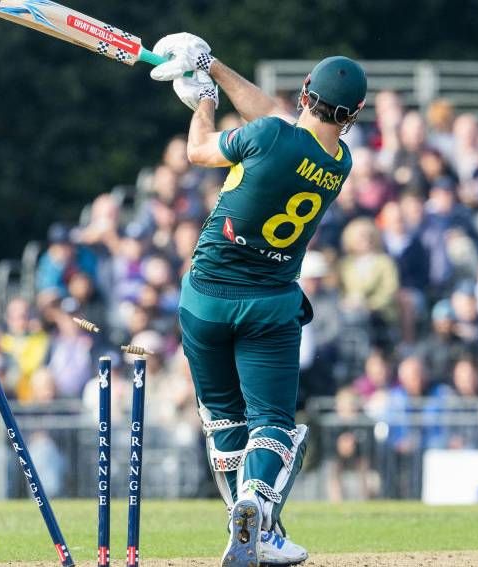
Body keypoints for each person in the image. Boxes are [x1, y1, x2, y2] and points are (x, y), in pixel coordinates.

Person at [149, 33, 367, 566]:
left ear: (306, 93)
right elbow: (276, 120)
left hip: (205, 299)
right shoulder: (339, 163)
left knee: (224, 421)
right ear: (353, 113)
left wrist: (202, 99)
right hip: (269, 303)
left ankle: (252, 524)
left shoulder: (270, 134)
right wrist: (213, 66)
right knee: (272, 420)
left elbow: (198, 150)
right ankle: (256, 508)